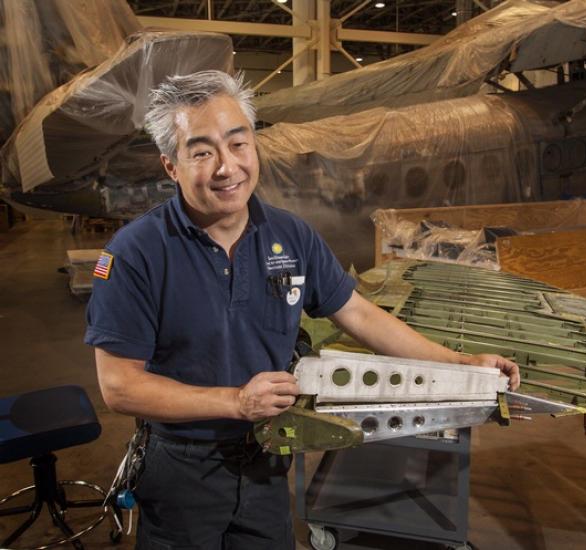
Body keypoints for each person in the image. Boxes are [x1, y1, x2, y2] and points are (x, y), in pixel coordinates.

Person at [85, 69, 519, 550]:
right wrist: (234, 402)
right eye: (202, 151)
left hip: (268, 457)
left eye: (238, 143)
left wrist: (461, 363)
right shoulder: (136, 253)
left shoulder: (291, 235)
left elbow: (361, 315)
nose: (227, 167)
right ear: (171, 166)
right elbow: (120, 386)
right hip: (184, 469)